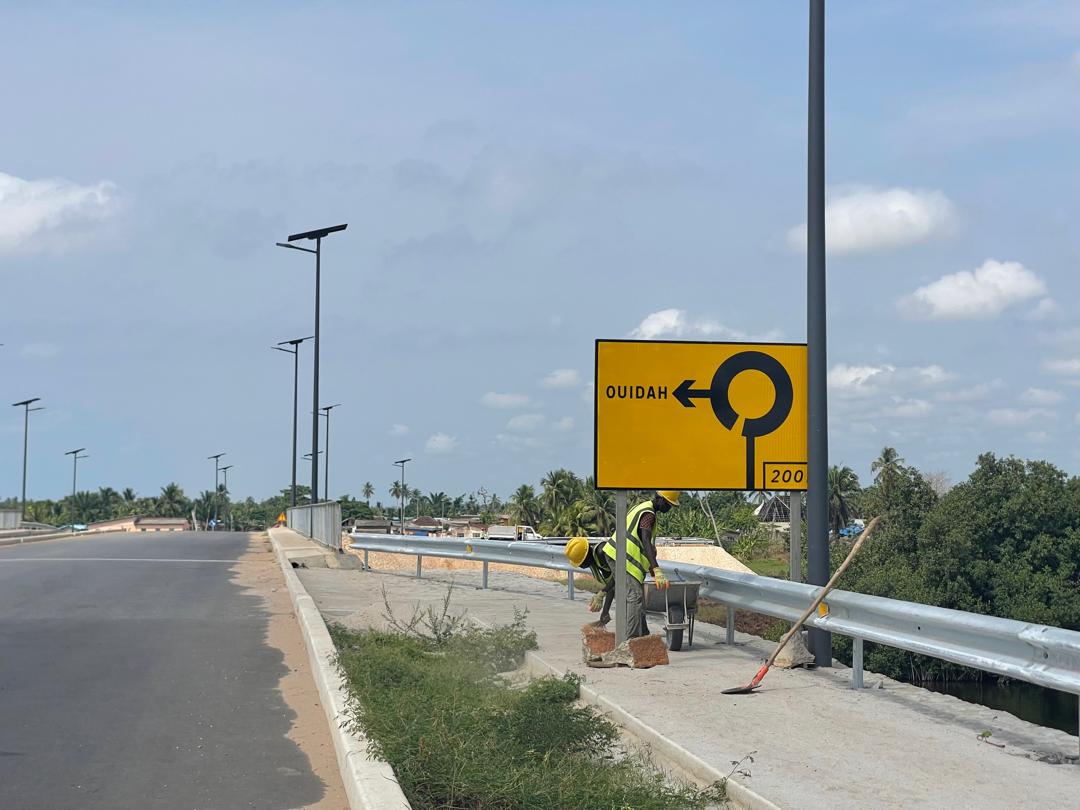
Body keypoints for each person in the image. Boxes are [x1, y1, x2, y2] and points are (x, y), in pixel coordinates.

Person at [565, 491, 680, 638]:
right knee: (635, 596)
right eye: (669, 505)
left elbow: (642, 540)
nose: (669, 508)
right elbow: (645, 539)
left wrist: (652, 564)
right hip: (625, 559)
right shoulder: (648, 514)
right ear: (661, 500)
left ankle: (642, 635)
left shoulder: (642, 508)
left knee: (634, 598)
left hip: (624, 557)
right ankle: (629, 641)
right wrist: (656, 569)